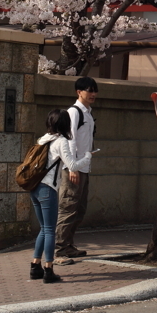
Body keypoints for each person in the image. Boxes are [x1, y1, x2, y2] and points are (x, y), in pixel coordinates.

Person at [30, 109, 90, 283]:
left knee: (44, 228)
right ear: (65, 124)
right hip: (48, 189)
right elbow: (72, 164)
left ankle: (35, 266)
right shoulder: (61, 141)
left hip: (35, 188)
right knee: (49, 229)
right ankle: (48, 269)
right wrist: (87, 157)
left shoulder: (43, 139)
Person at [55, 76, 98, 258]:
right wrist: (71, 167)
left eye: (95, 90)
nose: (93, 94)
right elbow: (69, 140)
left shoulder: (88, 113)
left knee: (79, 209)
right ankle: (60, 249)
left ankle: (68, 245)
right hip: (72, 169)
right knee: (68, 208)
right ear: (78, 92)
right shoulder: (74, 112)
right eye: (89, 90)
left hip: (84, 167)